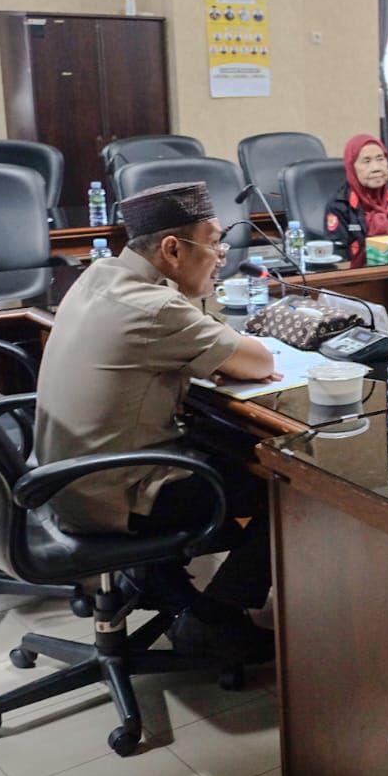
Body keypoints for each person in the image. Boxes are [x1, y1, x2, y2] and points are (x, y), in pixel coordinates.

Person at [34, 182, 279, 663]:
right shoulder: (157, 308)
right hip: (113, 494)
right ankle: (214, 619)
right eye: (213, 243)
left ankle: (154, 577)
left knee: (226, 452)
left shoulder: (99, 273)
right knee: (288, 489)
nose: (221, 256)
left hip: (61, 478)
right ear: (172, 249)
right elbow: (258, 361)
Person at [322, 133, 388, 268]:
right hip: (359, 275)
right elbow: (338, 257)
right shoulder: (339, 204)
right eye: (366, 161)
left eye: (380, 159)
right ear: (352, 167)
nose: (376, 168)